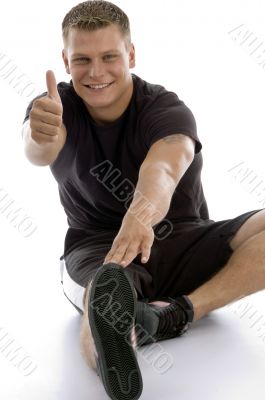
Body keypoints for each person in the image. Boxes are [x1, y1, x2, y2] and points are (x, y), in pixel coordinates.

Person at [22, 1, 265, 399]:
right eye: (82, 59)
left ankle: (177, 312)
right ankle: (113, 360)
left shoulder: (164, 108)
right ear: (65, 61)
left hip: (186, 239)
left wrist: (142, 213)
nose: (96, 72)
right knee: (101, 297)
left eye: (109, 57)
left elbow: (164, 169)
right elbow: (38, 150)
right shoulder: (53, 111)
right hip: (101, 249)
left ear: (131, 55)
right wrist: (39, 136)